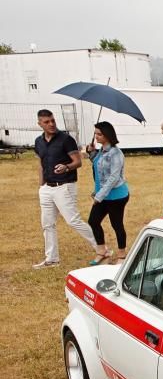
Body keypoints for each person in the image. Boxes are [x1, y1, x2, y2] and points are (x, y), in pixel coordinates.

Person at [33, 109, 101, 268]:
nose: (51, 124)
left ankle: (102, 248)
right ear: (39, 124)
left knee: (73, 221)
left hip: (64, 186)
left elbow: (78, 162)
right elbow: (40, 163)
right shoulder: (38, 142)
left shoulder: (66, 139)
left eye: (52, 120)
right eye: (46, 122)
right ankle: (52, 259)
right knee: (47, 224)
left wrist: (66, 167)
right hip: (46, 189)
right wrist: (41, 184)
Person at [86, 122, 129, 265]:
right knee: (93, 221)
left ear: (108, 135)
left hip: (116, 196)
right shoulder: (101, 151)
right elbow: (99, 166)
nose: (96, 137)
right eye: (95, 134)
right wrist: (91, 153)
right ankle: (102, 251)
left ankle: (122, 255)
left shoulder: (116, 153)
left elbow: (113, 178)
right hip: (103, 195)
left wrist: (99, 196)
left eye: (99, 134)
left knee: (117, 224)